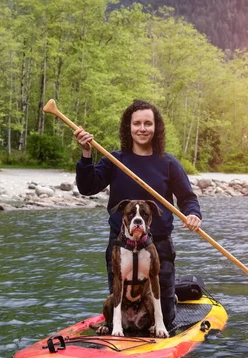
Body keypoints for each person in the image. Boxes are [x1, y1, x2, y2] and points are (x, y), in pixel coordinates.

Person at [74, 99, 202, 332]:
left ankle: (169, 300)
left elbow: (187, 198)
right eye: (137, 123)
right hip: (120, 246)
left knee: (166, 321)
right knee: (122, 314)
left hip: (158, 248)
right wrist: (85, 154)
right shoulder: (114, 160)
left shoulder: (168, 163)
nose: (142, 128)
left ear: (156, 127)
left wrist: (192, 214)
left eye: (148, 123)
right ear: (128, 127)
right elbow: (87, 187)